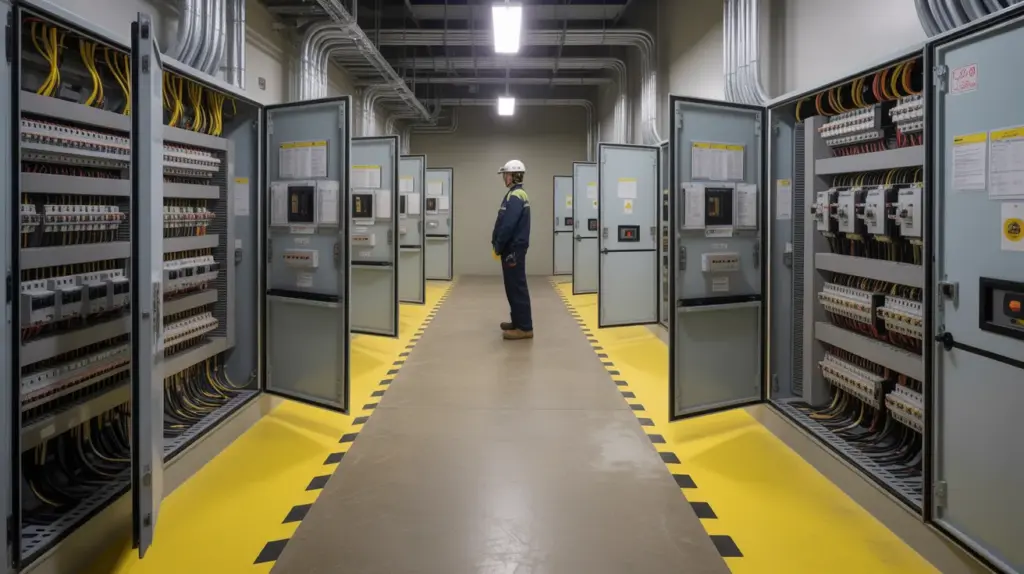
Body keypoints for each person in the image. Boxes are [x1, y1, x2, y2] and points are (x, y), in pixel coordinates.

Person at [492, 159, 533, 340]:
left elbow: (508, 225)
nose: (504, 178)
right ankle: (517, 322)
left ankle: (524, 328)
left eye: (506, 175)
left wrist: (498, 245)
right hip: (512, 249)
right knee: (512, 287)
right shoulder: (515, 194)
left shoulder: (516, 196)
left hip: (513, 250)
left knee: (516, 287)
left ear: (513, 176)